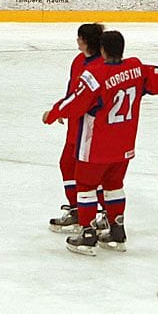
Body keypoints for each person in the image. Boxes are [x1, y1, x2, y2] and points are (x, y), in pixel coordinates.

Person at [43, 31, 158, 255]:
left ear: (102, 50)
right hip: (124, 144)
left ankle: (87, 234)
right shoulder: (135, 67)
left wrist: (53, 114)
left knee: (85, 186)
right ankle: (117, 231)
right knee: (114, 185)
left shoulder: (95, 74)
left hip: (96, 144)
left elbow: (75, 102)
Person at [48, 23, 104, 234]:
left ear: (85, 40)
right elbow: (73, 90)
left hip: (91, 127)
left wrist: (58, 112)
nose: (76, 40)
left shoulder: (101, 64)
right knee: (67, 165)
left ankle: (91, 213)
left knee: (89, 172)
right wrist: (65, 109)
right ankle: (78, 209)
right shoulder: (78, 61)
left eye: (79, 37)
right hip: (76, 124)